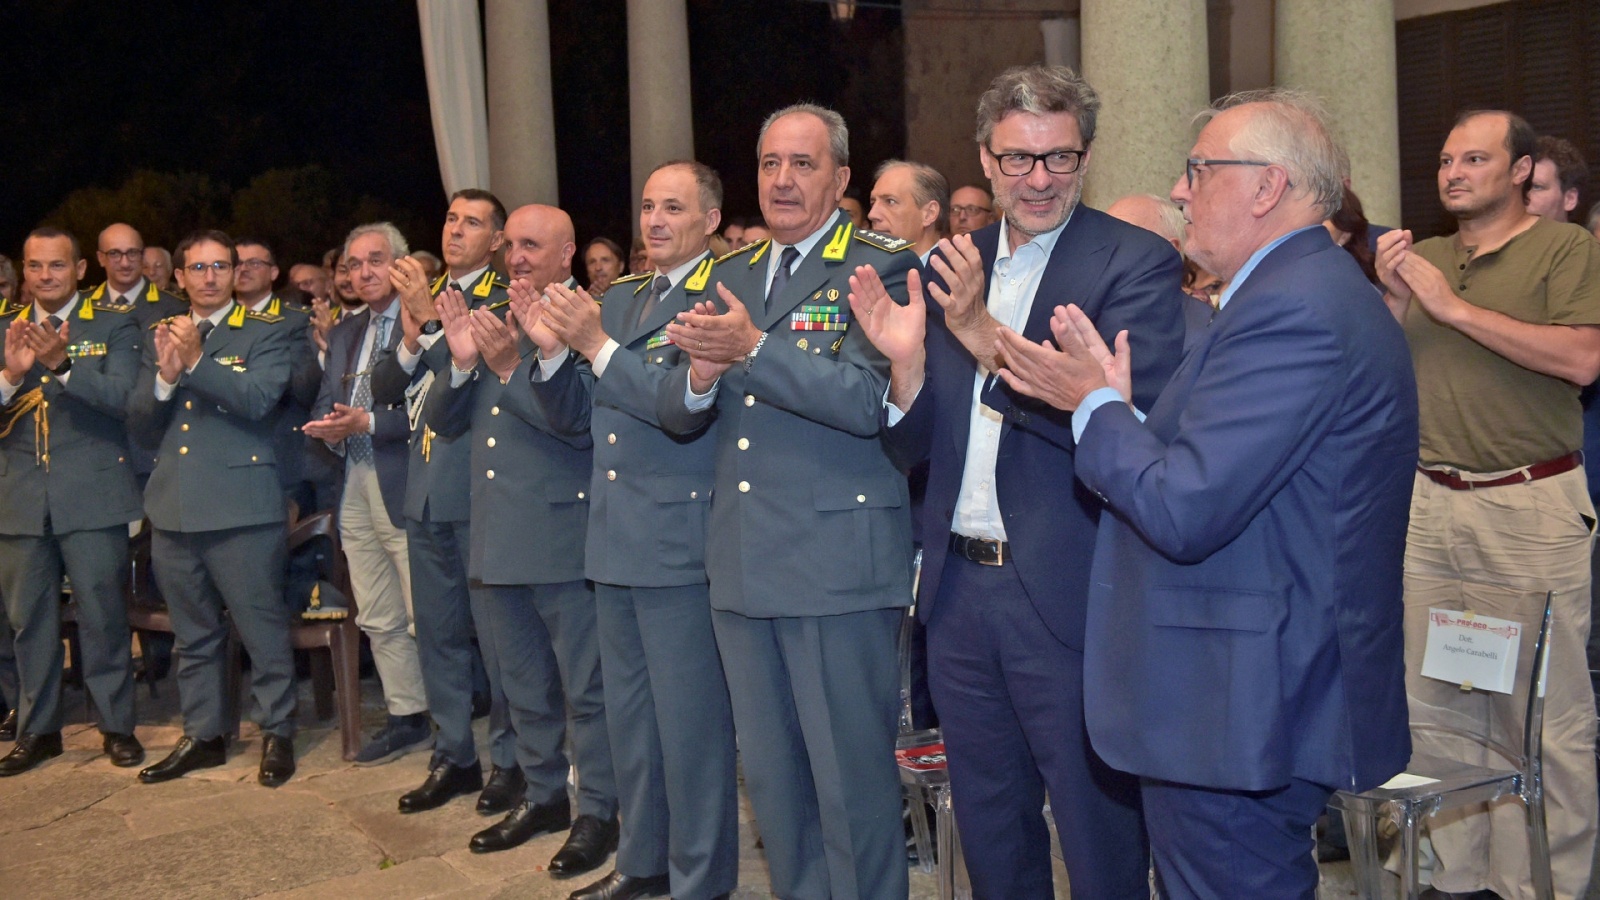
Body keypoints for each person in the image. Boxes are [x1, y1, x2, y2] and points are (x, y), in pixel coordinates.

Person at [972, 88, 1416, 898]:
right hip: (1241, 688)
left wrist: (1094, 405)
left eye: (1198, 171)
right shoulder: (1289, 297)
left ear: (1266, 186)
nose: (1180, 192)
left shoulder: (1297, 311)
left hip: (1241, 701)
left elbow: (1184, 505)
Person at [854, 65, 1185, 898]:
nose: (1038, 180)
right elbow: (918, 444)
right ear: (985, 157)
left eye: (1059, 159)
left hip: (1068, 592)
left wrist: (975, 332)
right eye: (1017, 160)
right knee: (993, 832)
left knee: (1098, 836)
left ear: (1086, 157)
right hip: (961, 594)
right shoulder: (946, 265)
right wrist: (902, 371)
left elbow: (1120, 423)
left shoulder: (1133, 261)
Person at [659, 102, 916, 899]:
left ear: (841, 179)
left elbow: (868, 400)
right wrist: (700, 378)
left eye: (802, 164)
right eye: (770, 163)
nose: (782, 179)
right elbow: (676, 410)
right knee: (774, 785)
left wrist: (753, 350)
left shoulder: (883, 266)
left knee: (852, 788)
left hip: (836, 565)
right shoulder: (727, 273)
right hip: (742, 565)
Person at [1378, 109, 1600, 900]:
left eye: (1475, 158)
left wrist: (1453, 309)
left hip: (1526, 505)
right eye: (1444, 159)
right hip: (1432, 505)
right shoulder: (1426, 257)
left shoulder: (1564, 248)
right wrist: (1395, 299)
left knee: (1542, 713)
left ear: (1520, 170)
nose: (1453, 172)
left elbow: (1582, 358)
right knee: (1437, 702)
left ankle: (1543, 883)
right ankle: (1450, 878)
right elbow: (1383, 372)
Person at [530, 160, 738, 900]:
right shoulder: (620, 298)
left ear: (710, 220)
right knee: (631, 722)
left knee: (690, 727)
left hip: (680, 540)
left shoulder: (722, 296)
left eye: (673, 207)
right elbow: (578, 418)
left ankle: (701, 879)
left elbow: (682, 408)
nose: (654, 221)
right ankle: (643, 863)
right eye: (648, 205)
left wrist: (593, 347)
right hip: (614, 537)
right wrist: (554, 353)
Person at [423, 203, 619, 876]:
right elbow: (446, 422)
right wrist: (458, 364)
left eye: (534, 245)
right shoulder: (491, 312)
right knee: (522, 685)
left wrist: (509, 370)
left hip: (563, 529)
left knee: (586, 689)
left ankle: (599, 808)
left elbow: (579, 426)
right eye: (512, 245)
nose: (519, 256)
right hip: (498, 529)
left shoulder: (585, 318)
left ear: (568, 254)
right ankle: (543, 795)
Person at [129, 229, 299, 788]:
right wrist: (163, 378)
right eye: (197, 268)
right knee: (193, 634)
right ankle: (203, 734)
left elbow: (258, 399)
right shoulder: (161, 335)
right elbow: (140, 424)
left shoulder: (267, 331)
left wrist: (198, 360)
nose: (208, 277)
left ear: (235, 272)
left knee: (261, 627)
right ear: (178, 277)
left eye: (219, 267)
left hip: (241, 508)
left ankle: (278, 731)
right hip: (174, 508)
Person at [371, 189, 520, 820]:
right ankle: (454, 755)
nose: (457, 230)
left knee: (500, 641)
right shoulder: (424, 297)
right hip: (426, 490)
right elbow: (382, 387)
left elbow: (475, 371)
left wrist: (427, 322)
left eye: (473, 223)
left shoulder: (505, 297)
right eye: (452, 218)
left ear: (496, 241)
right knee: (436, 635)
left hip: (478, 492)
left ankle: (512, 764)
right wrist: (412, 330)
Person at [0, 228, 144, 776]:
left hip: (93, 494)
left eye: (57, 266)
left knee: (103, 616)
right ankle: (39, 730)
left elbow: (127, 400)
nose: (45, 276)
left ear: (81, 269)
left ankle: (116, 726)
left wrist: (64, 366)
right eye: (35, 266)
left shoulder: (113, 323)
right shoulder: (5, 327)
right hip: (18, 497)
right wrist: (11, 375)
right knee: (28, 621)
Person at [303, 223, 432, 766]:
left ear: (402, 263)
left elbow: (437, 407)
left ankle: (449, 715)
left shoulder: (423, 319)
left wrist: (369, 425)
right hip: (352, 480)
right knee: (376, 611)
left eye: (375, 260)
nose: (363, 273)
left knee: (420, 611)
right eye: (354, 264)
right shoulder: (349, 329)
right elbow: (326, 399)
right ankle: (407, 715)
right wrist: (329, 428)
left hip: (405, 475)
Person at [90, 224, 187, 329]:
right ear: (101, 258)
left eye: (132, 253)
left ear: (142, 256)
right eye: (114, 253)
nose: (125, 263)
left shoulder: (175, 307)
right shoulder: (83, 305)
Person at [867, 159, 950, 262]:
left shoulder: (955, 275)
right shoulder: (865, 269)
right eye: (873, 202)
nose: (872, 214)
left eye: (890, 201)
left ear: (929, 214)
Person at [1526, 135, 1587, 223]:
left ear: (1570, 199)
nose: (1521, 197)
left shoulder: (1583, 237)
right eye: (1518, 187)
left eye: (1537, 187)